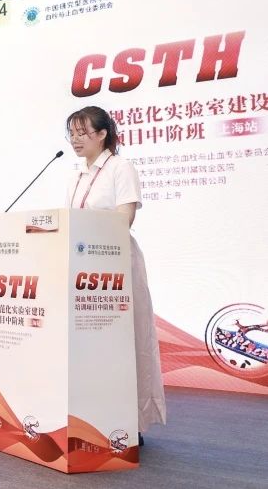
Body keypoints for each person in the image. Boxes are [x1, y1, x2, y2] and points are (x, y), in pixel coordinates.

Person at [66, 106, 167, 439]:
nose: (75, 139)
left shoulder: (120, 168)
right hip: (84, 270)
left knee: (126, 343)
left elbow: (124, 218)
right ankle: (93, 418)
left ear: (102, 134)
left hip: (115, 264)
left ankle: (130, 424)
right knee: (92, 349)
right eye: (72, 133)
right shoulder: (77, 175)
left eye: (82, 132)